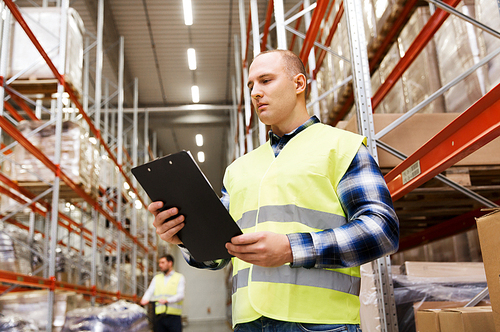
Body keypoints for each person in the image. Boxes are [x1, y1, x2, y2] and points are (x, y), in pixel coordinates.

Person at [149, 49, 399, 332]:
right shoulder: (238, 169)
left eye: (266, 80)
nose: (255, 92)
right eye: (251, 86)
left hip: (320, 323)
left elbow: (382, 229)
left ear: (299, 84)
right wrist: (184, 236)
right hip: (249, 323)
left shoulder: (341, 147)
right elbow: (216, 255)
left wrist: (293, 249)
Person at [140, 254, 185, 332]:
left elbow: (180, 295)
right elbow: (150, 291)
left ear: (170, 263)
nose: (160, 265)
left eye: (162, 262)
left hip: (174, 317)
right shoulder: (157, 278)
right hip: (159, 317)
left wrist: (167, 300)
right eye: (159, 263)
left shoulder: (179, 277)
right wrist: (144, 299)